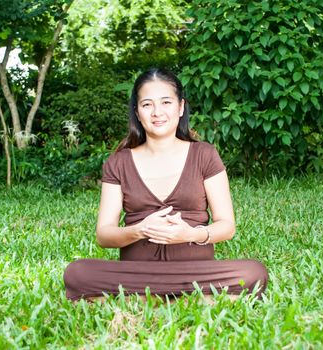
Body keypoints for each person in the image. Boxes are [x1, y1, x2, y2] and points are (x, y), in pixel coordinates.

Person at [63, 68, 268, 301]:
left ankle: (141, 300)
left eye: (166, 102)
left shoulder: (205, 155)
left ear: (181, 107)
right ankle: (195, 300)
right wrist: (139, 230)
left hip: (195, 273)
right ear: (137, 112)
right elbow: (104, 234)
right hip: (137, 274)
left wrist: (190, 234)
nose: (157, 112)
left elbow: (227, 226)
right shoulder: (118, 162)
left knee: (253, 272)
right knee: (77, 272)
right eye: (147, 105)